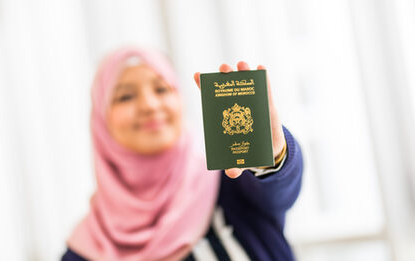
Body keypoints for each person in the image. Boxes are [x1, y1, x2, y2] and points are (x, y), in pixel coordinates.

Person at [61, 46, 303, 261]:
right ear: (102, 120)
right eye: (125, 96)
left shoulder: (231, 178)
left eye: (161, 89)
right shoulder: (88, 248)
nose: (149, 105)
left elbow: (277, 189)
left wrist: (269, 155)